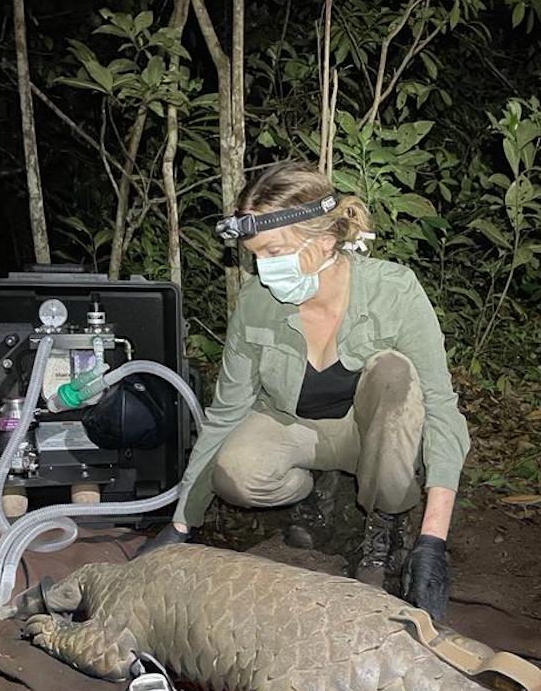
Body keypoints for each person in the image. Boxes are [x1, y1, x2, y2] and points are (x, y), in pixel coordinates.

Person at [141, 161, 470, 619]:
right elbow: (226, 411)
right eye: (255, 255)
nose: (262, 268)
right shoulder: (257, 303)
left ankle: (385, 528)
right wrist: (180, 525)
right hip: (292, 425)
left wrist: (433, 541)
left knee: (395, 373)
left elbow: (440, 408)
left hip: (368, 436)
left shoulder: (394, 292)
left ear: (325, 242)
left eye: (273, 252)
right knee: (235, 470)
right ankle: (312, 492)